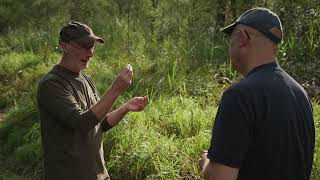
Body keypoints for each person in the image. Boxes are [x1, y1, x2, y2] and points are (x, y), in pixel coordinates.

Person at [199, 7, 315, 180]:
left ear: (242, 38)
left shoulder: (239, 96)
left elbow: (220, 177)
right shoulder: (301, 94)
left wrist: (206, 163)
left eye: (230, 38)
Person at [37, 21, 148, 180]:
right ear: (64, 46)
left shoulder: (87, 80)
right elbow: (82, 123)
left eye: (92, 46)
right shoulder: (52, 84)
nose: (90, 53)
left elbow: (98, 124)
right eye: (84, 46)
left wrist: (125, 108)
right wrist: (115, 90)